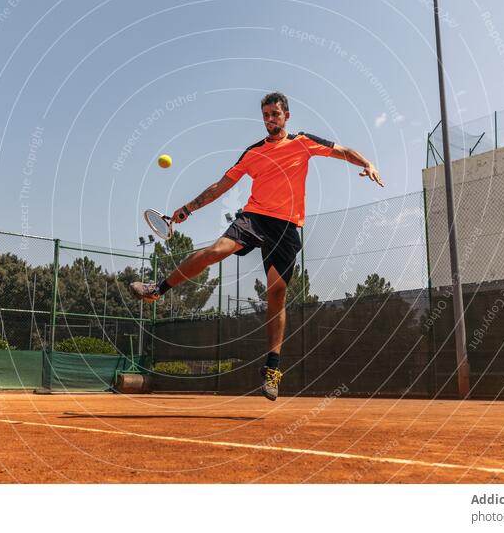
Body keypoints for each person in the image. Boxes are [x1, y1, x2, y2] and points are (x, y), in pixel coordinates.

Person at [130, 92, 383, 400]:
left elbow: (341, 151)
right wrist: (188, 207)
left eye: (275, 114)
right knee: (214, 252)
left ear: (286, 116)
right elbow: (222, 185)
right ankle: (158, 290)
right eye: (265, 115)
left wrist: (367, 162)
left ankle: (272, 369)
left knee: (277, 293)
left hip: (288, 227)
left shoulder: (303, 142)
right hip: (254, 219)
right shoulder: (253, 153)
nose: (269, 119)